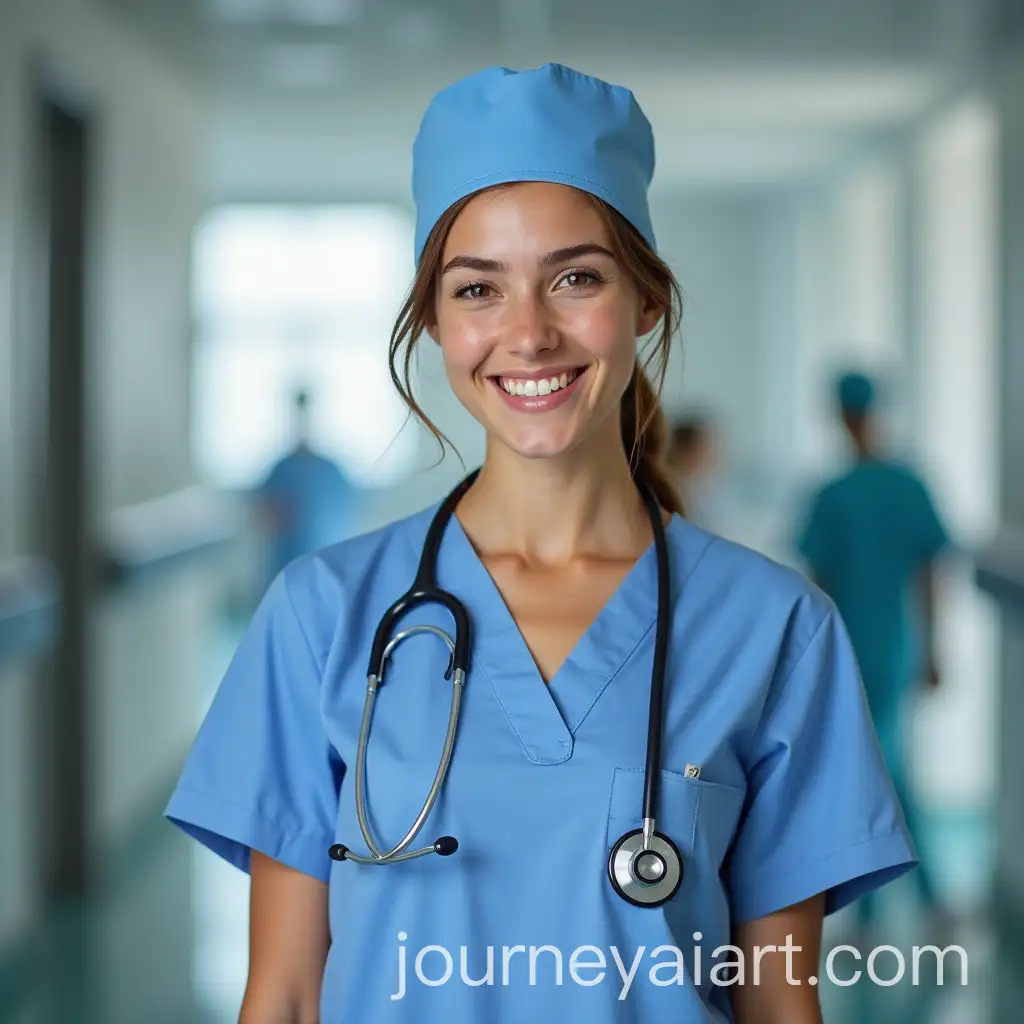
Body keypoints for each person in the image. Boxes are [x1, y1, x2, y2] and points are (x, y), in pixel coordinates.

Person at [166, 65, 917, 1023]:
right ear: (434, 322)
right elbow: (280, 993)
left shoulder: (774, 630)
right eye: (478, 289)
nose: (528, 333)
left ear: (645, 301)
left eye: (575, 278)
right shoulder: (323, 615)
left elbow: (780, 1003)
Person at [796, 370, 950, 932]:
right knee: (880, 767)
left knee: (879, 769)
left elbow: (817, 587)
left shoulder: (833, 495)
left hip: (857, 649)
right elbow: (930, 575)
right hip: (895, 647)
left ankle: (907, 900)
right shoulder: (908, 485)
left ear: (839, 414)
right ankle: (900, 902)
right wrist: (934, 649)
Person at [254, 387, 359, 585]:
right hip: (285, 570)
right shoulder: (280, 471)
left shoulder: (332, 472)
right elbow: (264, 517)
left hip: (327, 573)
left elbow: (346, 522)